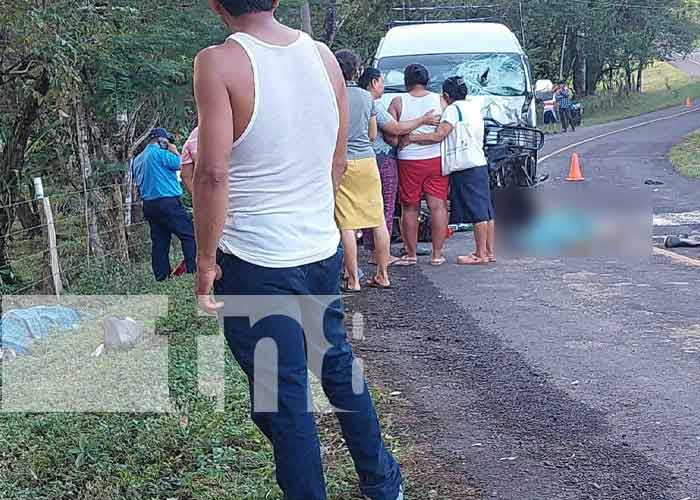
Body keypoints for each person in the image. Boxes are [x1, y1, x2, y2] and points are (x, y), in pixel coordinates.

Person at [192, 2, 403, 500]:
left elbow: (213, 172)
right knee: (336, 365)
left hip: (253, 262)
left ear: (214, 4)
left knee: (283, 400)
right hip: (318, 251)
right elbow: (336, 157)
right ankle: (382, 484)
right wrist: (309, 217)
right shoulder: (324, 57)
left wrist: (205, 262)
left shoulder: (218, 63)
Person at [404, 77, 495, 264]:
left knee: (477, 211)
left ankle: (480, 254)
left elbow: (440, 135)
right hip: (479, 162)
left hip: (465, 165)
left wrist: (412, 138)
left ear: (446, 95)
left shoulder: (452, 110)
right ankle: (488, 251)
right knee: (486, 210)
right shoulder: (472, 107)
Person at [357, 67, 440, 265]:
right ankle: (382, 253)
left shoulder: (352, 100)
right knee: (387, 206)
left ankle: (379, 250)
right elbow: (393, 130)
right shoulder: (373, 104)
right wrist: (424, 120)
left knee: (372, 205)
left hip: (362, 160)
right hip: (385, 159)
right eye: (382, 82)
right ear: (374, 82)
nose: (384, 87)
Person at [333, 49, 393, 292]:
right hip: (367, 161)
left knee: (347, 223)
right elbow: (371, 133)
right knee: (376, 218)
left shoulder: (332, 95)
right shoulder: (367, 98)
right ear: (357, 70)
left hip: (342, 162)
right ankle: (383, 274)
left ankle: (353, 279)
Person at [388, 64, 448, 266]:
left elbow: (390, 134)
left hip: (408, 161)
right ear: (427, 80)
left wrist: (406, 139)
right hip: (436, 159)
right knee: (438, 206)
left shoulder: (398, 102)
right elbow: (446, 131)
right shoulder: (440, 100)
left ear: (406, 81)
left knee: (409, 207)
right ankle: (437, 254)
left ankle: (411, 254)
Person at [132, 127, 196, 280]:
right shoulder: (161, 154)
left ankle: (162, 277)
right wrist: (174, 150)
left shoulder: (137, 160)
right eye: (167, 141)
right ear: (162, 141)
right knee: (189, 235)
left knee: (159, 242)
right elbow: (182, 164)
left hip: (148, 204)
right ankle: (193, 271)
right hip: (167, 202)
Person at [180, 126, 198, 194]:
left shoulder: (194, 135)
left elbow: (185, 175)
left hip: (207, 197)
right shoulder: (164, 154)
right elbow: (176, 164)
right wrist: (175, 152)